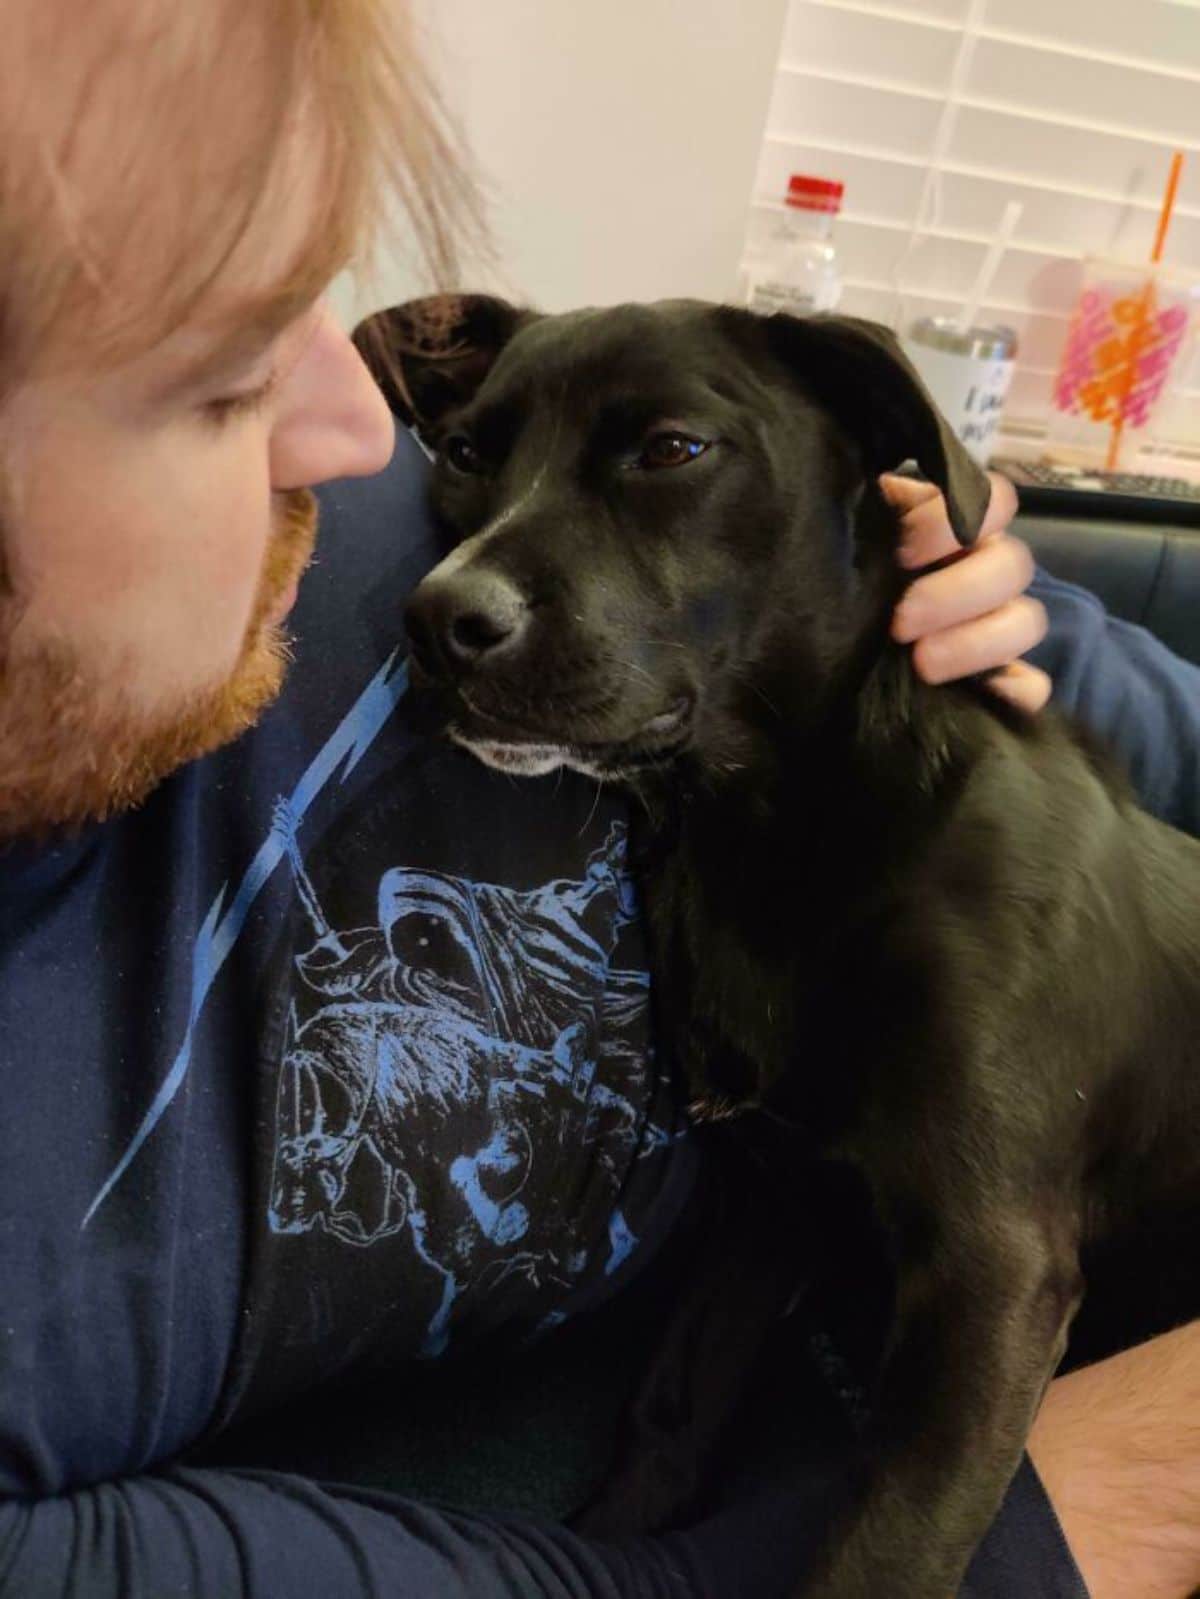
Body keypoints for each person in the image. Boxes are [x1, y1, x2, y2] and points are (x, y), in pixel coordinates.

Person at [0, 3, 1197, 1596]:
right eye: (218, 378)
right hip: (879, 1440)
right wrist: (1066, 1530)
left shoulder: (365, 522)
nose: (368, 431)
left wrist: (988, 624)